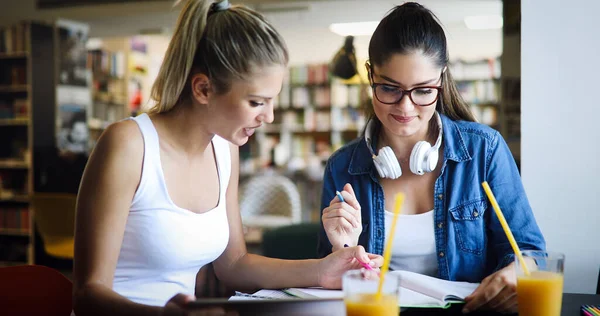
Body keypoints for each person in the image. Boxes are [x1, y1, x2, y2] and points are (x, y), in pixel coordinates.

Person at [72, 1, 383, 315]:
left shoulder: (224, 150)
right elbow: (87, 294)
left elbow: (234, 265)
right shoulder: (127, 145)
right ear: (204, 89)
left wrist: (321, 270)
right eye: (256, 102)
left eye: (271, 101)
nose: (269, 117)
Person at [317, 2, 545, 314]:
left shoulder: (484, 150)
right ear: (371, 75)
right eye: (389, 88)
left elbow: (531, 253)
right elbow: (324, 279)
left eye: (423, 91)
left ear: (441, 78)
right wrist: (340, 248)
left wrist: (517, 271)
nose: (406, 108)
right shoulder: (343, 168)